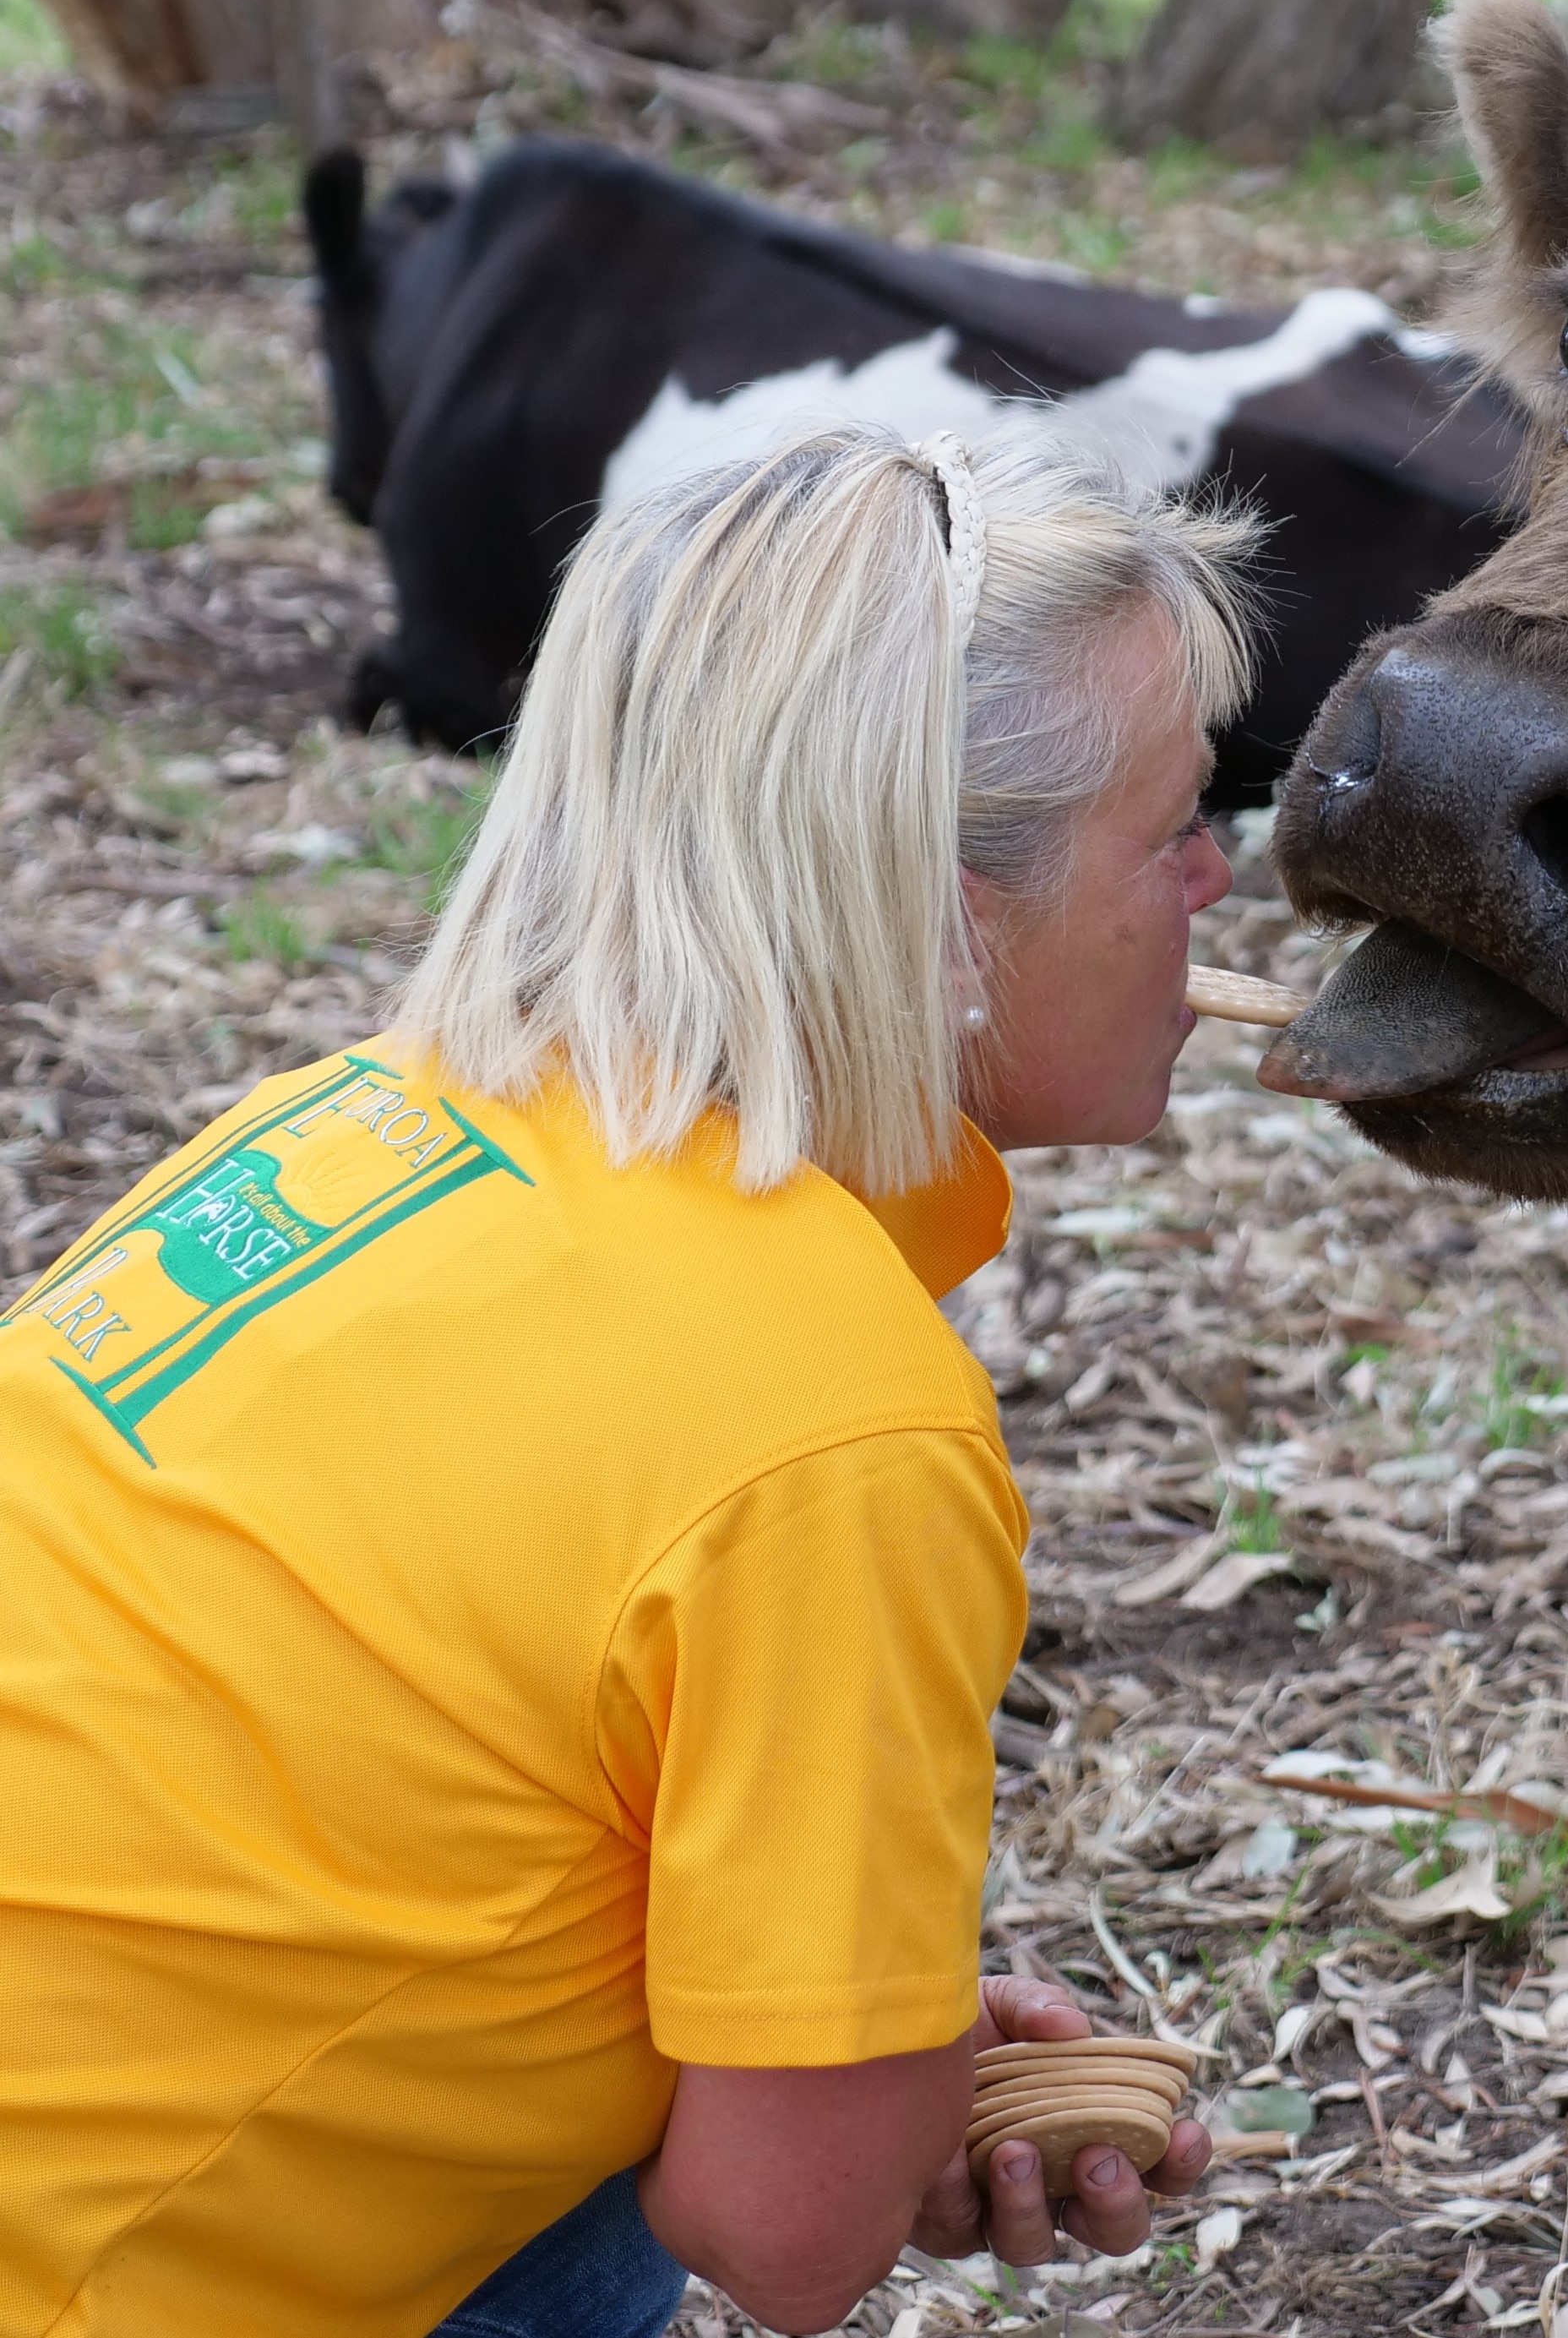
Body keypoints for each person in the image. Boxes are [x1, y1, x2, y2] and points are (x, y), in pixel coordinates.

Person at [0, 428, 1244, 2335]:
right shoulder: (834, 1437)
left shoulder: (349, 1125)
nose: (1220, 882)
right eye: (1170, 827)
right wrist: (879, 2087)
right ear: (944, 908)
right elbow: (787, 2238)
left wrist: (838, 2028)